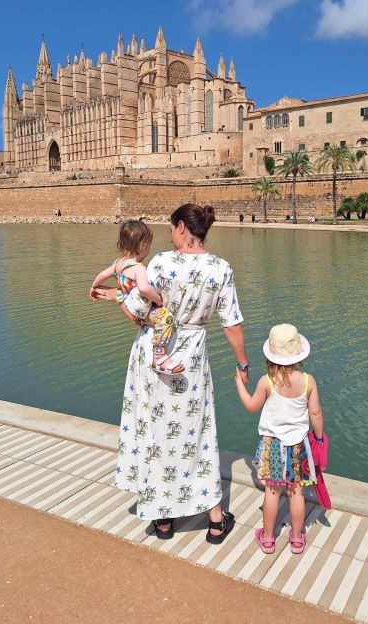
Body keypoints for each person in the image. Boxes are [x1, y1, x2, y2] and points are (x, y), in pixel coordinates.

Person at [98, 203, 248, 543]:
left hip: (153, 355)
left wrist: (116, 295)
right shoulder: (221, 269)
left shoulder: (161, 262)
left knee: (155, 432)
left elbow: (137, 313)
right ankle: (214, 520)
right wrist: (242, 364)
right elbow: (232, 325)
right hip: (192, 358)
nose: (168, 234)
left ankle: (163, 521)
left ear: (182, 227)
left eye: (170, 228)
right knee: (198, 433)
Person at [234, 323, 323, 555]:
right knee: (296, 492)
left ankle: (267, 538)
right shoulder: (307, 381)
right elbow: (315, 413)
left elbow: (252, 406)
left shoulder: (267, 381)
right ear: (298, 354)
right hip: (298, 445)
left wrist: (238, 385)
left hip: (272, 443)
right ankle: (296, 538)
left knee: (272, 491)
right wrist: (319, 437)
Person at [89, 220, 182, 374]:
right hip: (139, 311)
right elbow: (144, 289)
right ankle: (159, 357)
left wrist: (93, 287)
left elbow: (102, 275)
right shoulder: (139, 269)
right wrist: (158, 300)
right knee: (166, 318)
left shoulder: (118, 264)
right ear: (143, 246)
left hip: (128, 305)